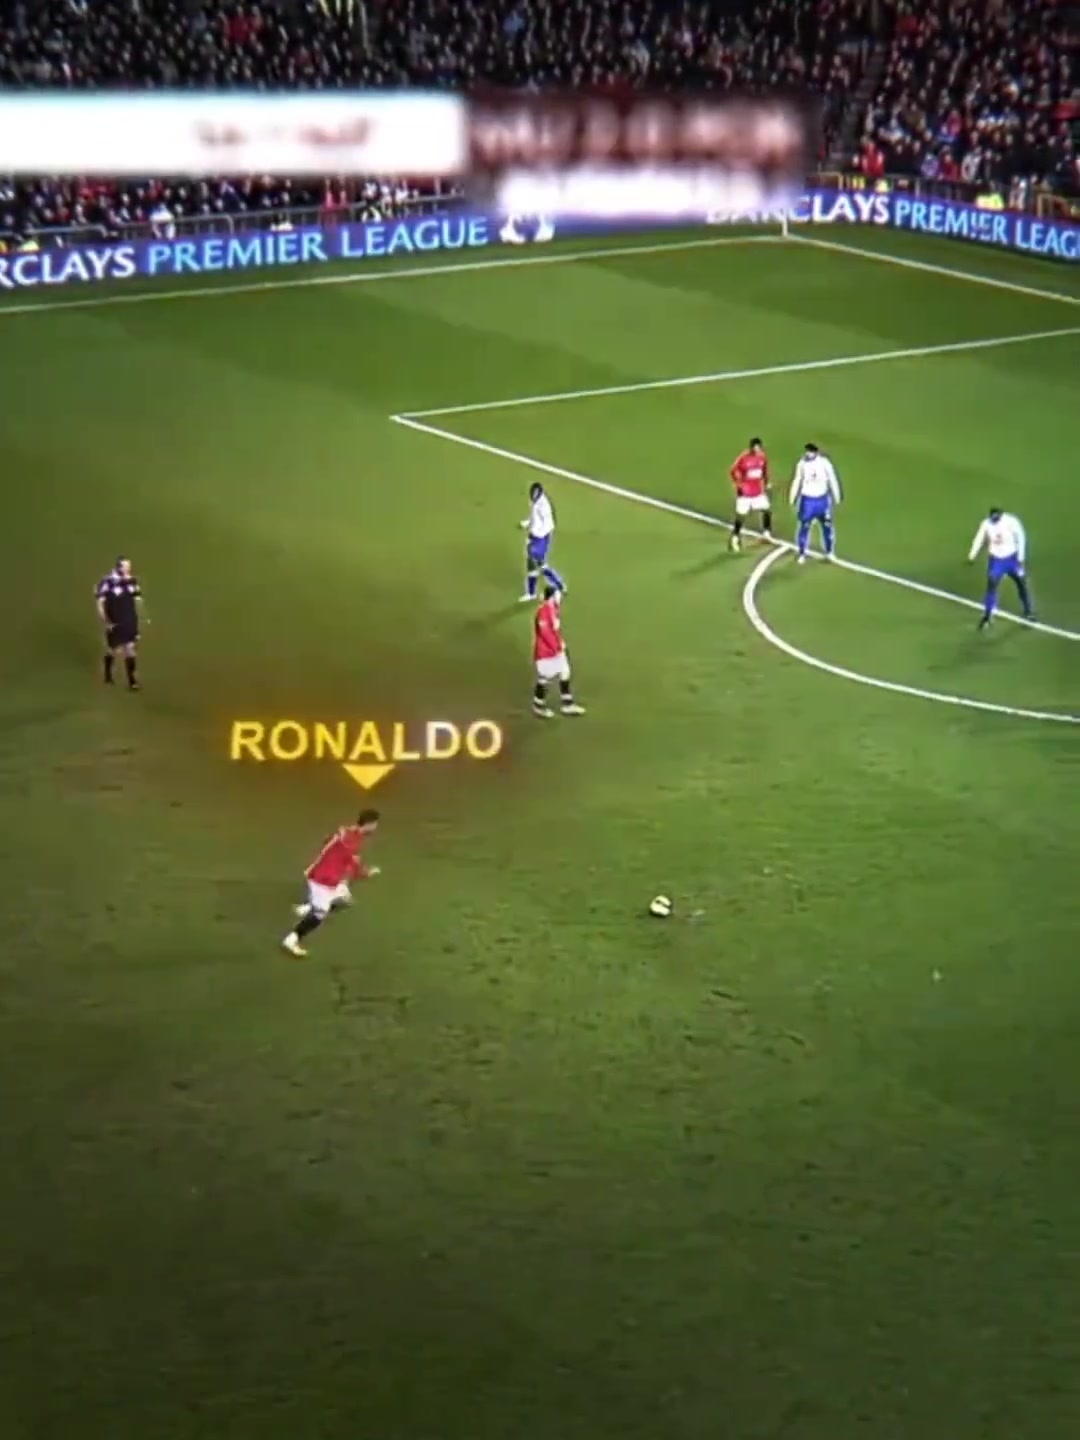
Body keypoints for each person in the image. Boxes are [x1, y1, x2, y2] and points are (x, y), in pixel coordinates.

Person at [282, 810, 381, 957]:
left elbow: (329, 842)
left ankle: (309, 907)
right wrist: (367, 873)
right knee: (319, 915)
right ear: (369, 824)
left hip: (326, 875)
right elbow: (355, 867)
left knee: (344, 898)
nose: (375, 827)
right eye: (375, 824)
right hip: (324, 879)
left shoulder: (348, 832)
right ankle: (291, 939)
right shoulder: (352, 841)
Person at [967, 507, 1034, 630]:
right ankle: (987, 616)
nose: (994, 521)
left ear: (1001, 515)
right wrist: (972, 556)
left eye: (996, 519)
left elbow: (1020, 537)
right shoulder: (986, 524)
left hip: (1012, 559)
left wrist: (1021, 557)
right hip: (996, 560)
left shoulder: (1011, 521)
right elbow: (979, 539)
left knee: (1022, 583)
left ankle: (1028, 611)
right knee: (992, 585)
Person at [533, 585, 585, 718]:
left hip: (557, 651)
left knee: (565, 673)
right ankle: (538, 706)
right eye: (558, 594)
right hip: (546, 652)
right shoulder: (544, 611)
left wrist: (560, 644)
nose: (560, 597)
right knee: (544, 678)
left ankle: (567, 705)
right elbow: (545, 633)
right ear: (552, 596)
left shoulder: (553, 608)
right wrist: (556, 647)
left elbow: (554, 630)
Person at [95, 556, 145, 689]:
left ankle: (132, 681)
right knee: (112, 649)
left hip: (129, 620)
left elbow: (137, 599)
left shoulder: (132, 581)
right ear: (118, 567)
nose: (128, 568)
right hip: (114, 621)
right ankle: (108, 674)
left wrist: (139, 617)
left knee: (130, 648)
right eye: (125, 566)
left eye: (129, 566)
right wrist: (106, 621)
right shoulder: (107, 582)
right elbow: (100, 603)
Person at [789, 443, 842, 563]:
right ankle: (802, 553)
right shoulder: (802, 464)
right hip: (808, 501)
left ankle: (829, 552)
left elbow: (832, 478)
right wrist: (792, 497)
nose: (808, 453)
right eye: (807, 451)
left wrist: (837, 495)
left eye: (811, 451)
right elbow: (797, 480)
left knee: (827, 526)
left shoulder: (824, 463)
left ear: (816, 452)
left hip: (822, 500)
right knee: (804, 527)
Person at [519, 482, 566, 601]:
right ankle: (531, 593)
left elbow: (549, 525)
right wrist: (527, 523)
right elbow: (534, 516)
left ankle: (559, 585)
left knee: (539, 563)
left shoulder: (544, 506)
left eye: (536, 493)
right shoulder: (534, 502)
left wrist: (538, 534)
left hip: (541, 538)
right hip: (533, 537)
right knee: (531, 564)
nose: (533, 495)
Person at [729, 437, 772, 550]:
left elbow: (765, 472)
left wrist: (766, 483)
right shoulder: (744, 458)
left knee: (766, 510)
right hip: (745, 493)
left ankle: (766, 534)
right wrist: (738, 484)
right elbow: (733, 470)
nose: (757, 449)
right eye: (755, 447)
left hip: (757, 492)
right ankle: (735, 536)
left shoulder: (762, 457)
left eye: (759, 447)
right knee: (741, 516)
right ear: (751, 447)